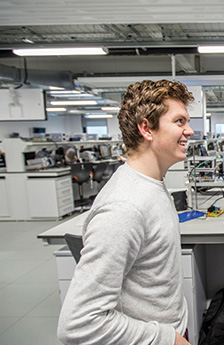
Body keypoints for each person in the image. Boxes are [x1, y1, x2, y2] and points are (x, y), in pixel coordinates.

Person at [58, 79, 194, 345]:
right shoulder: (124, 207)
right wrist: (169, 338)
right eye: (179, 122)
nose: (189, 131)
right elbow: (78, 324)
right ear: (146, 128)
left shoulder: (151, 183)